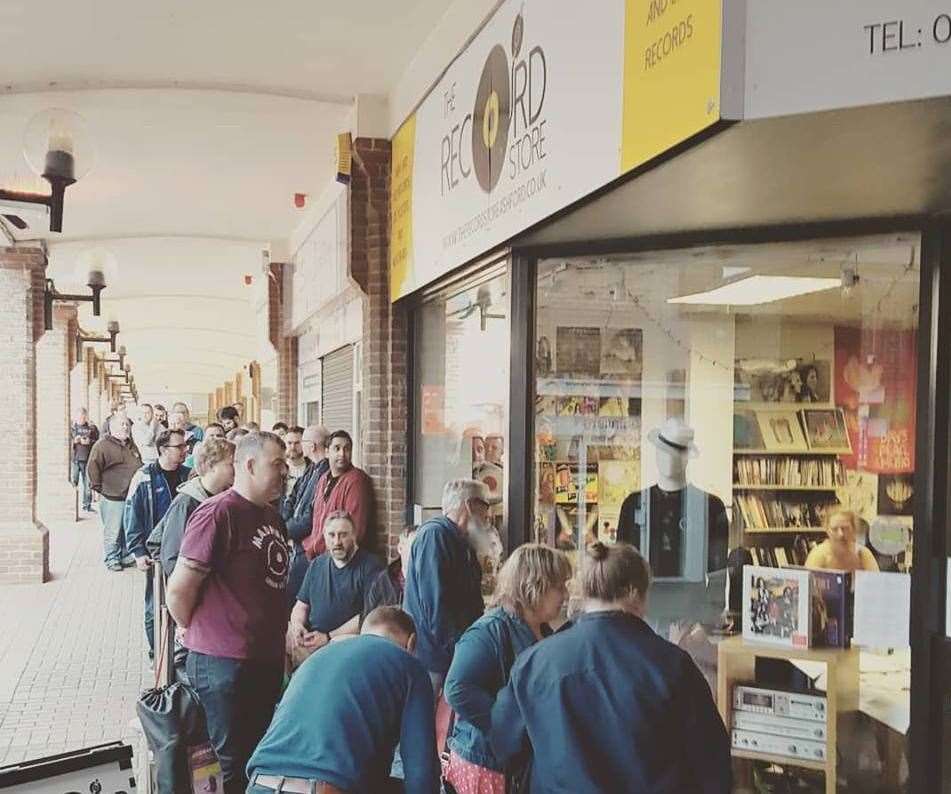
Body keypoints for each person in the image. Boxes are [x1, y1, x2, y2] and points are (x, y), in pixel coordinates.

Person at [490, 542, 732, 794]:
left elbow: (505, 746)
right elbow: (712, 763)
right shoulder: (673, 665)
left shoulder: (533, 663)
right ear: (634, 593)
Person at [166, 432, 289, 794]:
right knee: (235, 763)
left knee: (262, 755)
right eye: (276, 464)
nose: (284, 471)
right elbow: (179, 589)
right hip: (224, 662)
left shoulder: (273, 517)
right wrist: (195, 629)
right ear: (249, 465)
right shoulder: (218, 513)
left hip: (263, 659)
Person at [247, 607, 440, 794]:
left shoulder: (317, 658)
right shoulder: (409, 666)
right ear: (412, 643)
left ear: (363, 632)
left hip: (259, 783)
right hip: (325, 787)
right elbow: (421, 773)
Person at [443, 544, 571, 793]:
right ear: (535, 585)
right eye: (560, 586)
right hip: (487, 764)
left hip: (511, 764)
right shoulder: (489, 630)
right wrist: (505, 727)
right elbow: (457, 688)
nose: (565, 594)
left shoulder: (542, 629)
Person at [403, 479, 490, 693]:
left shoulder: (458, 539)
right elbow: (435, 604)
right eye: (485, 507)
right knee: (429, 717)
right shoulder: (435, 535)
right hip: (434, 658)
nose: (487, 517)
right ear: (469, 505)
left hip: (447, 655)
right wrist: (455, 652)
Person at [124, 429, 191, 658]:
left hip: (185, 553)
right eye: (179, 446)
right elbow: (132, 512)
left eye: (185, 446)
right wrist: (137, 551)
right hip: (156, 555)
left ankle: (179, 654)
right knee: (156, 606)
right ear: (163, 449)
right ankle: (158, 653)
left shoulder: (189, 475)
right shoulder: (144, 476)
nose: (185, 450)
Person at [287, 511, 382, 668]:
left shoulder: (371, 567)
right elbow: (301, 605)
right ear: (325, 537)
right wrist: (298, 626)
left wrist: (328, 637)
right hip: (311, 641)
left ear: (354, 535)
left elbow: (369, 617)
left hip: (346, 644)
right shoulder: (317, 565)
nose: (337, 541)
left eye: (343, 535)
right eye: (332, 535)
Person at [148, 437, 236, 578]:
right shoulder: (186, 503)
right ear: (211, 466)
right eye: (231, 464)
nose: (236, 469)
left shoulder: (226, 498)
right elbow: (172, 557)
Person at [304, 430, 375, 559]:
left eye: (347, 449)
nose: (342, 454)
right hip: (313, 552)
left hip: (338, 558)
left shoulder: (356, 480)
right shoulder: (324, 478)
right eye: (337, 448)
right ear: (326, 452)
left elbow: (356, 529)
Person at [281, 425, 330, 608]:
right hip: (295, 538)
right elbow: (292, 497)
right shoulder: (312, 469)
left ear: (311, 446)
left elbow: (313, 514)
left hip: (306, 546)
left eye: (302, 442)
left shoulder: (325, 473)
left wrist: (286, 531)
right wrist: (284, 521)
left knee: (295, 599)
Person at [87, 414, 142, 571]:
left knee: (126, 527)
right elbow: (92, 467)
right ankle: (112, 558)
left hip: (129, 495)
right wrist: (97, 488)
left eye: (127, 424)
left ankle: (124, 555)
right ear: (112, 428)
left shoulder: (130, 444)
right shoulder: (102, 445)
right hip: (112, 496)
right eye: (122, 424)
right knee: (113, 530)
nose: (125, 427)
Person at [363, 525, 418, 619]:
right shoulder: (381, 582)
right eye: (414, 548)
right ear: (400, 548)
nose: (419, 553)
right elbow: (368, 620)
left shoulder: (433, 582)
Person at [805, 509, 880, 572]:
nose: (841, 534)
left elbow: (877, 583)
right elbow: (806, 586)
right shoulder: (818, 554)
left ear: (854, 529)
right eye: (834, 529)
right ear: (827, 531)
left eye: (845, 528)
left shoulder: (863, 553)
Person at [70, 407, 100, 513]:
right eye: (80, 416)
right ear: (76, 416)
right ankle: (71, 506)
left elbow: (97, 442)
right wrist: (74, 441)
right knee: (73, 482)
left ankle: (87, 505)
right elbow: (65, 444)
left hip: (88, 459)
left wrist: (89, 442)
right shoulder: (72, 428)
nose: (82, 418)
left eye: (83, 416)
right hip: (75, 459)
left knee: (87, 483)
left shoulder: (92, 428)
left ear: (86, 416)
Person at [283, 426, 307, 497]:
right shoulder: (277, 468)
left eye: (297, 443)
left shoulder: (313, 470)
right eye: (289, 443)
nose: (293, 447)